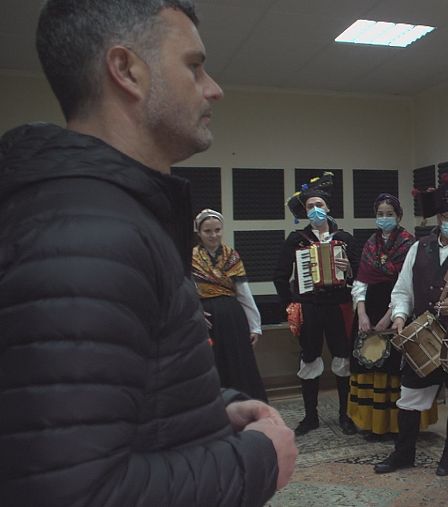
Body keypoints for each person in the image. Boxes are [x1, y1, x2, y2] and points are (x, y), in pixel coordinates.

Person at [0, 1, 297, 504]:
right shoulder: (87, 239)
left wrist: (209, 409)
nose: (213, 88)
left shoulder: (114, 218)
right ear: (126, 71)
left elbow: (114, 405)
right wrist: (260, 459)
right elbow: (74, 491)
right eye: (193, 65)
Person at [373, 164, 448, 476]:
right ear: (440, 219)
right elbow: (402, 290)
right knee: (410, 397)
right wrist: (399, 316)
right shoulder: (418, 247)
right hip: (422, 336)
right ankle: (404, 453)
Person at [274, 171, 359, 436]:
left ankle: (346, 416)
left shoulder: (344, 239)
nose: (315, 210)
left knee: (343, 359)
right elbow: (279, 276)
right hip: (309, 307)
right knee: (309, 359)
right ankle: (310, 417)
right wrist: (292, 303)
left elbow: (362, 275)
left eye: (319, 206)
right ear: (305, 211)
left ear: (328, 208)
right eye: (310, 207)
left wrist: (349, 269)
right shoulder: (296, 240)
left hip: (339, 306)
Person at [347, 194, 438, 440]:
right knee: (369, 364)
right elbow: (361, 282)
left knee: (394, 370)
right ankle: (374, 424)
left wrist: (390, 316)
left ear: (398, 216)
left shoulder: (410, 244)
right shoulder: (369, 244)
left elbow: (406, 285)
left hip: (398, 313)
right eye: (380, 214)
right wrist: (362, 313)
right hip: (370, 311)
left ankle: (399, 426)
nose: (384, 218)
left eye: (389, 214)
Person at [193, 208, 269, 402]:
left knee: (239, 365)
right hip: (206, 320)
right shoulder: (190, 258)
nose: (213, 235)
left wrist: (255, 326)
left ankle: (245, 407)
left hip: (233, 318)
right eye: (207, 231)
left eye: (217, 230)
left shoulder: (231, 256)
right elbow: (185, 291)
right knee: (211, 365)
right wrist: (195, 313)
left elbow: (244, 293)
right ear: (199, 232)